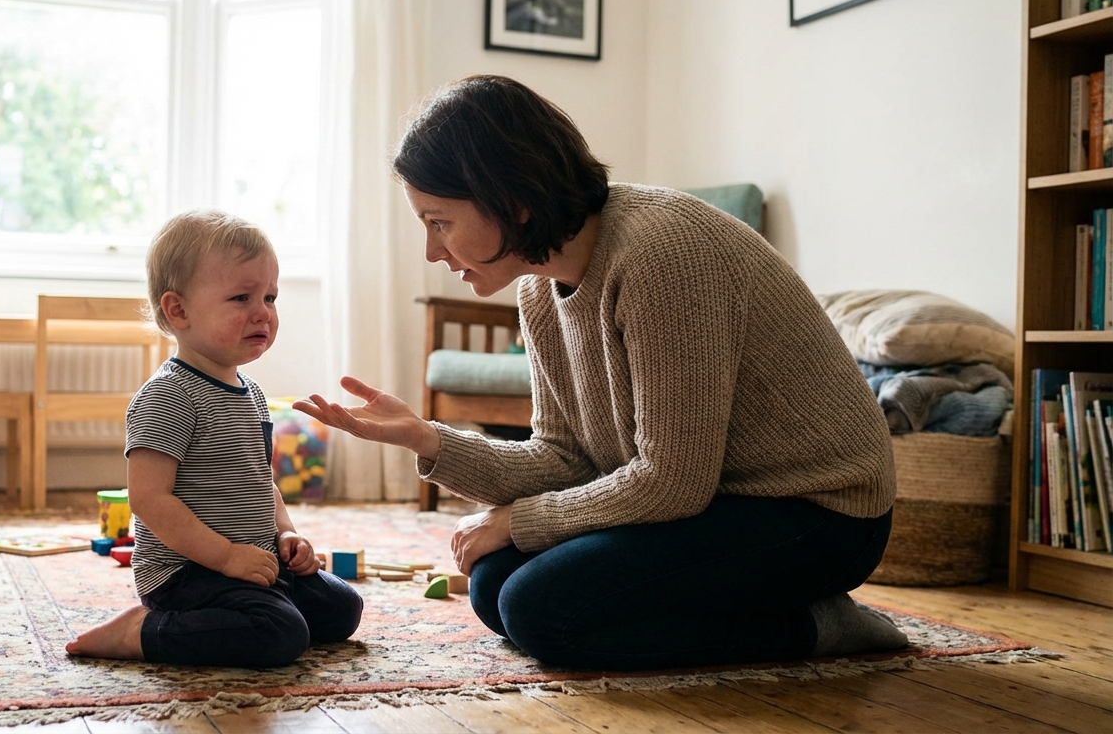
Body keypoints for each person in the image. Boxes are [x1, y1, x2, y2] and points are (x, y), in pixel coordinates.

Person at [294, 74, 908, 671]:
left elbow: (672, 480)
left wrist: (521, 520)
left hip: (818, 514)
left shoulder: (665, 254)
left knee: (541, 610)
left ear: (513, 203)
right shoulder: (540, 288)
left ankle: (814, 625)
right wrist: (426, 438)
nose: (432, 250)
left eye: (439, 221)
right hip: (713, 503)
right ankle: (761, 606)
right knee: (494, 583)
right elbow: (566, 456)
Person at [66, 209, 363, 667]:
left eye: (270, 296)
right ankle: (142, 631)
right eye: (242, 297)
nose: (262, 312)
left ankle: (251, 607)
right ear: (178, 310)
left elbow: (260, 480)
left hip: (249, 560)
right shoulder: (169, 396)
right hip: (186, 571)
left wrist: (287, 534)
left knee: (343, 609)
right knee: (281, 634)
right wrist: (225, 557)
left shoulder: (253, 394)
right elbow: (149, 498)